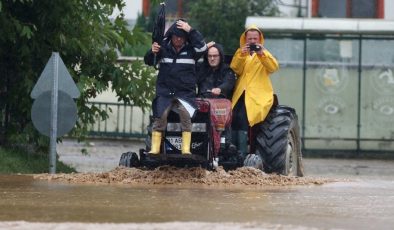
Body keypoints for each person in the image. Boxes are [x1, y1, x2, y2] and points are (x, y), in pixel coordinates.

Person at [144, 19, 207, 154]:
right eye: (176, 36)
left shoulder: (192, 51)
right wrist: (152, 51)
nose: (178, 39)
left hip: (185, 93)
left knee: (186, 116)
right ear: (171, 36)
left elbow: (203, 47)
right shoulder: (163, 49)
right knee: (160, 116)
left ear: (186, 38)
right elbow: (149, 61)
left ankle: (185, 149)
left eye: (182, 37)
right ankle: (154, 149)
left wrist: (190, 30)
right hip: (165, 92)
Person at [230, 25, 279, 156]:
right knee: (234, 117)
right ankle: (233, 152)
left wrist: (262, 54)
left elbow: (273, 67)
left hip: (258, 94)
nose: (252, 41)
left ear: (260, 39)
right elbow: (235, 68)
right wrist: (241, 54)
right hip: (241, 92)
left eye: (255, 39)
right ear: (245, 39)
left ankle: (243, 153)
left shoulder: (264, 53)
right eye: (249, 38)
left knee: (245, 118)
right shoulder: (240, 52)